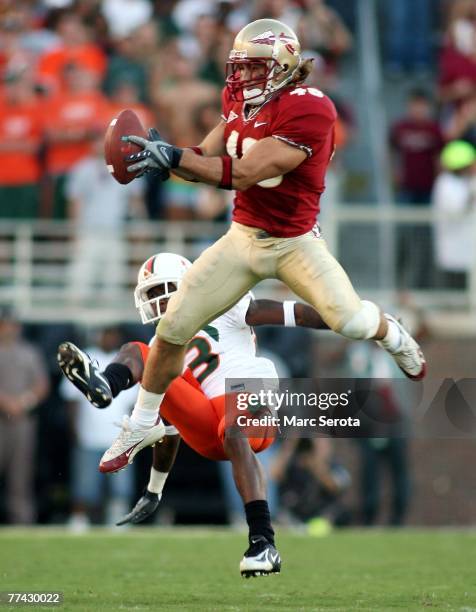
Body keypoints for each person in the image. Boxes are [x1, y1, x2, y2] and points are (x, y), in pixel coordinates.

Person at [105, 18, 426, 501]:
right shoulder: (238, 98)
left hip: (295, 242)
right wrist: (171, 157)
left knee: (350, 320)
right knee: (172, 329)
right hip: (243, 236)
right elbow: (211, 149)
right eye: (239, 68)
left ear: (282, 68)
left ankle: (392, 331)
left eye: (253, 68)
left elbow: (246, 171)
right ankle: (140, 424)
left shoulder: (312, 110)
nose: (241, 79)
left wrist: (177, 159)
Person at [58, 251, 333, 576]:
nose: (159, 303)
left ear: (187, 286)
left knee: (233, 424)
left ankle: (263, 543)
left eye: (164, 291)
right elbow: (172, 428)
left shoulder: (224, 301)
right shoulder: (167, 345)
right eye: (152, 295)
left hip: (249, 396)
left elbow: (294, 314)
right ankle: (107, 383)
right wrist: (153, 490)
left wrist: (348, 319)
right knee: (143, 352)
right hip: (209, 427)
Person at [60, 327, 136, 531]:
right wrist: (74, 428)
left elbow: (132, 403)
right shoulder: (86, 358)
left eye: (114, 335)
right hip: (89, 433)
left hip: (119, 435)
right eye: (106, 334)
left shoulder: (126, 363)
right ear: (98, 335)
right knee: (85, 483)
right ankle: (79, 519)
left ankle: (118, 519)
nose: (110, 338)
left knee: (121, 485)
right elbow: (72, 399)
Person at [0, 306, 49, 524]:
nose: (9, 329)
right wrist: (6, 402)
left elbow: (41, 384)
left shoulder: (29, 352)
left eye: (12, 325)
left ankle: (22, 522)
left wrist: (23, 402)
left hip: (22, 420)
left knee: (21, 474)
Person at [432, 140, 476, 288]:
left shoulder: (468, 181)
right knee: (454, 291)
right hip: (453, 248)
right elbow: (456, 209)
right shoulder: (444, 183)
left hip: (469, 248)